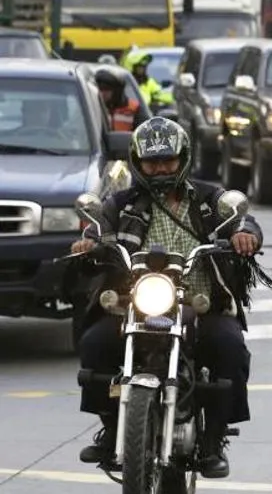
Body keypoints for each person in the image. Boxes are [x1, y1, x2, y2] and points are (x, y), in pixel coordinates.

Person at [70, 117, 261, 479]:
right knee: (94, 342)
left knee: (230, 346)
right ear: (137, 162)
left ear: (183, 159)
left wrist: (245, 234)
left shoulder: (208, 200)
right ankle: (111, 427)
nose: (160, 169)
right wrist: (89, 243)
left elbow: (242, 220)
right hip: (134, 304)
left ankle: (214, 439)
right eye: (151, 162)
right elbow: (98, 228)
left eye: (167, 160)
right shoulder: (121, 204)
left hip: (201, 305)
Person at [94, 65, 145, 132]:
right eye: (100, 89)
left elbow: (143, 134)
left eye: (107, 89)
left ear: (117, 91)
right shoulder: (92, 107)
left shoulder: (134, 108)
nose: (102, 93)